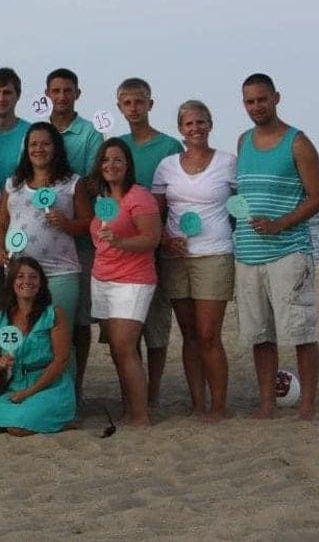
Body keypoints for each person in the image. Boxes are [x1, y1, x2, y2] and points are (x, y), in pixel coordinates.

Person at [235, 73, 319, 420]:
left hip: (289, 252)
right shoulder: (243, 141)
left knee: (300, 331)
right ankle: (267, 403)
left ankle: (307, 405)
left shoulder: (297, 142)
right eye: (249, 101)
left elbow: (318, 198)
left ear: (276, 98)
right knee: (261, 335)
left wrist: (280, 224)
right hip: (247, 255)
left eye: (262, 99)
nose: (256, 106)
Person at [0, 122, 92, 398]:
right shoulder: (13, 183)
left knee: (60, 338)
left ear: (56, 147)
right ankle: (17, 389)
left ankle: (65, 395)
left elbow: (88, 224)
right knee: (18, 332)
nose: (39, 149)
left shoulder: (72, 182)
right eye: (33, 144)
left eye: (45, 143)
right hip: (18, 273)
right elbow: (0, 223)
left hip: (60, 272)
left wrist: (68, 223)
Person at [152, 100, 236, 421]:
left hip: (214, 255)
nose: (195, 129)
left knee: (208, 334)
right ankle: (197, 402)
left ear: (210, 124)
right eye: (189, 124)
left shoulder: (228, 162)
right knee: (188, 333)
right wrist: (164, 238)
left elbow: (241, 206)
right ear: (180, 130)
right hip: (175, 257)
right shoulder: (167, 165)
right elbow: (156, 212)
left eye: (201, 122)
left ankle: (219, 406)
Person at [116, 77, 184, 408]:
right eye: (127, 103)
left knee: (156, 326)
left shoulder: (170, 146)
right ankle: (135, 391)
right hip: (123, 253)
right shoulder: (116, 146)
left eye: (139, 102)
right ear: (119, 107)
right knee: (129, 328)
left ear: (150, 104)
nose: (134, 108)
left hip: (158, 248)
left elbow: (180, 195)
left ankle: (153, 392)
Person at [89, 138, 162, 426]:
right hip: (102, 278)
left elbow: (151, 238)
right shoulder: (103, 199)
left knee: (124, 347)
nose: (111, 165)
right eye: (105, 160)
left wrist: (120, 241)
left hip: (133, 280)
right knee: (117, 351)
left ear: (128, 164)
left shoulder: (139, 196)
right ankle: (128, 408)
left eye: (118, 159)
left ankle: (140, 415)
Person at [44, 68, 104, 403]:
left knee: (79, 319)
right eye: (56, 90)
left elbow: (94, 182)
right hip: (43, 243)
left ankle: (76, 386)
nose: (62, 96)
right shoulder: (38, 131)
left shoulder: (91, 135)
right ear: (48, 94)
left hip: (79, 242)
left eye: (68, 90)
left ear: (77, 94)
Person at [0, 257, 75, 434]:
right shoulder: (2, 318)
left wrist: (29, 392)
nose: (27, 282)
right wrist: (0, 363)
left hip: (50, 385)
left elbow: (61, 361)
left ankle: (62, 421)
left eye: (33, 277)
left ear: (41, 282)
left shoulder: (53, 314)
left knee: (18, 428)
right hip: (18, 383)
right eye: (20, 277)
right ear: (12, 282)